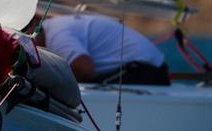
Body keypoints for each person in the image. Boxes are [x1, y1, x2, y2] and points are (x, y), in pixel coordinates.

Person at [36, 13, 170, 85]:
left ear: (35, 22)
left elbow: (84, 71)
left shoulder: (56, 36)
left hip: (146, 72)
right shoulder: (55, 26)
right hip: (152, 68)